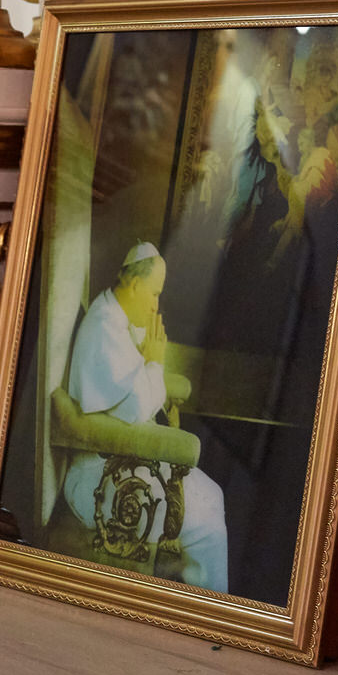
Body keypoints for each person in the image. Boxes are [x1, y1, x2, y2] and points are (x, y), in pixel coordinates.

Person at [62, 243, 228, 593]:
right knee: (207, 522)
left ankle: (199, 601)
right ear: (135, 286)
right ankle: (207, 606)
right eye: (154, 293)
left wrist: (146, 353)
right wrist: (154, 360)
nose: (155, 306)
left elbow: (133, 394)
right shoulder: (104, 327)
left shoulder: (115, 317)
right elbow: (138, 410)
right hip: (97, 482)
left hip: (118, 465)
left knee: (213, 495)